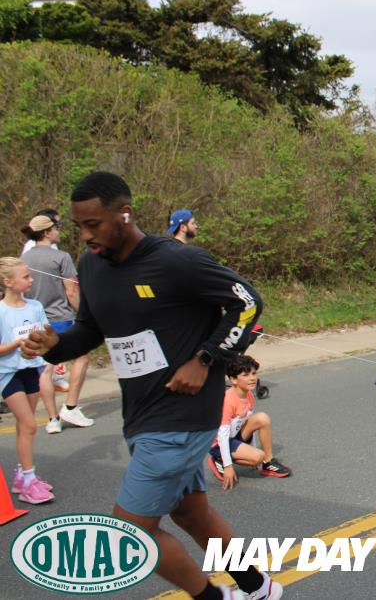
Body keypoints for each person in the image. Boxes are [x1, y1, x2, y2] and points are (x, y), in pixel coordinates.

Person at [22, 172, 278, 600]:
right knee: (191, 512)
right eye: (79, 225)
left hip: (181, 415)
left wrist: (205, 359)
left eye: (93, 224)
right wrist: (55, 347)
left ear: (124, 214)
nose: (85, 235)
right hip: (141, 414)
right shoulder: (92, 265)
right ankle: (259, 587)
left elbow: (247, 302)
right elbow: (90, 329)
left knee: (130, 535)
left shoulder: (176, 261)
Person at [21, 214, 94, 433]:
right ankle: (70, 406)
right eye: (56, 227)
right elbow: (71, 291)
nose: (59, 231)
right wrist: (85, 315)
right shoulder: (61, 256)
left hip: (35, 319)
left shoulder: (24, 258)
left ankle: (53, 419)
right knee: (83, 356)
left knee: (45, 369)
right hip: (60, 317)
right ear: (46, 232)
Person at [0, 258, 54, 504]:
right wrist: (17, 343)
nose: (31, 280)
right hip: (8, 373)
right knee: (30, 424)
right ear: (8, 282)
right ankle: (29, 482)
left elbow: (47, 334)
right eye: (26, 277)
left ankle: (22, 476)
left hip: (32, 369)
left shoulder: (35, 306)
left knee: (25, 426)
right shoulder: (1, 311)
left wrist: (52, 353)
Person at [208, 355, 291, 489]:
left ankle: (268, 462)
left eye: (253, 373)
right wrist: (228, 466)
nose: (252, 378)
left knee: (262, 418)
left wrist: (252, 448)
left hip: (234, 435)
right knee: (258, 456)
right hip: (220, 443)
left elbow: (246, 424)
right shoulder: (228, 400)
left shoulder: (249, 395)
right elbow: (222, 436)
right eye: (246, 375)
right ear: (233, 379)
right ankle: (219, 459)